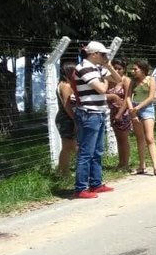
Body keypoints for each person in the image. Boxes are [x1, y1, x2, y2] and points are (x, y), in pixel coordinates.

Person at [72, 41, 122, 198]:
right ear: (93, 54)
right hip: (89, 113)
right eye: (102, 54)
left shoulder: (98, 68)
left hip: (99, 112)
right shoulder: (84, 68)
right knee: (86, 152)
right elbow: (102, 88)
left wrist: (109, 67)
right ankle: (80, 188)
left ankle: (96, 183)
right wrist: (104, 79)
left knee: (97, 151)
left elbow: (118, 79)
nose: (105, 57)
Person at [128, 60, 156, 175]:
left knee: (149, 138)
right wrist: (132, 111)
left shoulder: (151, 80)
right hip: (135, 108)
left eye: (135, 69)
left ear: (142, 70)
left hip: (146, 108)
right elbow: (128, 97)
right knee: (139, 138)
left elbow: (151, 97)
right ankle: (141, 166)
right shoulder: (133, 82)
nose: (133, 71)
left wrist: (138, 109)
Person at [107, 58, 132, 172]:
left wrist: (120, 114)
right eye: (115, 68)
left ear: (124, 69)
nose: (117, 70)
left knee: (124, 139)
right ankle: (120, 163)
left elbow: (127, 99)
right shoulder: (109, 80)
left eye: (120, 69)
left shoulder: (126, 81)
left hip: (124, 113)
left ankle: (125, 164)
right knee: (118, 139)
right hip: (112, 113)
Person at [55, 61, 78, 177]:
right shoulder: (66, 86)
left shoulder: (65, 84)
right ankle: (63, 172)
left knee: (68, 147)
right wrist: (74, 119)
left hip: (67, 118)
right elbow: (67, 105)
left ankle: (62, 171)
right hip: (66, 119)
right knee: (72, 146)